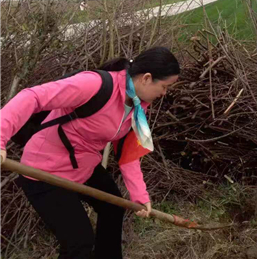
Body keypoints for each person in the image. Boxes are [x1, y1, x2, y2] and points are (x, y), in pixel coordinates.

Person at [0, 46, 180, 259]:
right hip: (43, 171)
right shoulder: (95, 85)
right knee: (79, 243)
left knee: (113, 208)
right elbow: (33, 96)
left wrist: (139, 196)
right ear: (146, 78)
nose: (165, 93)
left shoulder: (138, 107)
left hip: (83, 165)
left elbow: (129, 155)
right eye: (165, 86)